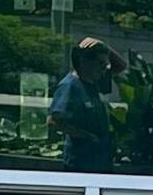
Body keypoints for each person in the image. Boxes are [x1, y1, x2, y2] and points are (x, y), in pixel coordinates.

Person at [48, 38, 120, 173]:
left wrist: (103, 45)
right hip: (81, 162)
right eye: (100, 63)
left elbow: (121, 66)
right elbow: (54, 122)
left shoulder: (95, 80)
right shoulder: (70, 86)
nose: (104, 68)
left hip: (101, 160)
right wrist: (87, 136)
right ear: (84, 62)